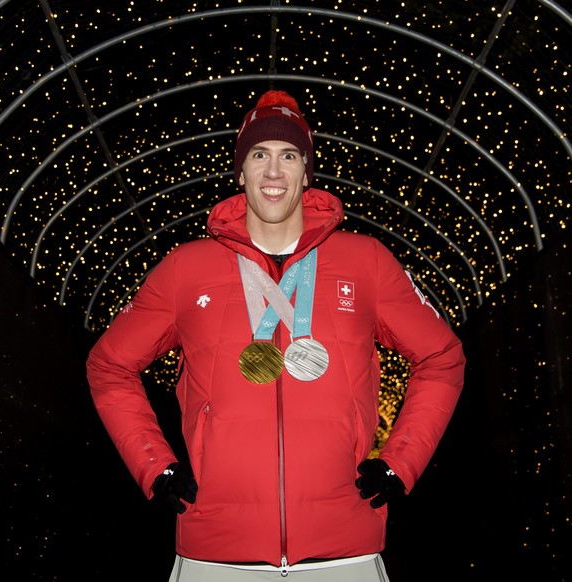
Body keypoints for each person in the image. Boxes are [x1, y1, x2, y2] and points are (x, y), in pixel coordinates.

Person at [86, 89, 465, 581]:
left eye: (289, 156)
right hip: (214, 555)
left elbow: (442, 356)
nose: (272, 171)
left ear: (306, 174)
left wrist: (402, 461)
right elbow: (109, 365)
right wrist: (152, 464)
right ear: (240, 171)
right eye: (259, 155)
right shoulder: (186, 268)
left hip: (344, 552)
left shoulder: (366, 261)